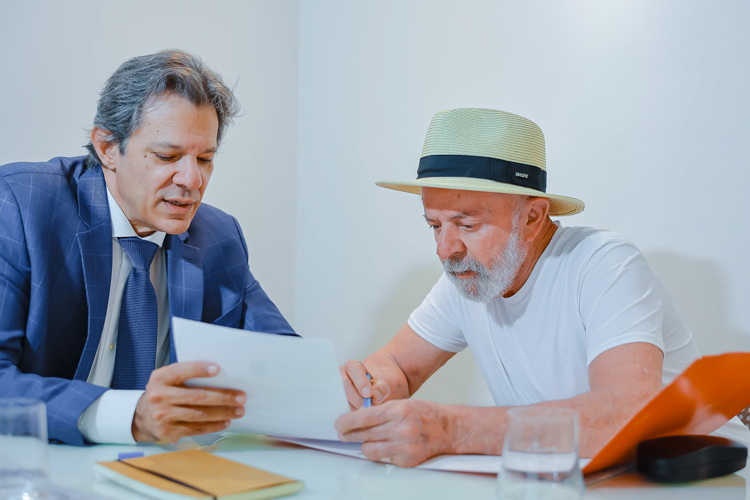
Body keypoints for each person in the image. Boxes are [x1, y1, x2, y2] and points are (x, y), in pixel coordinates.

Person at [335, 107, 748, 467]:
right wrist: (371, 386)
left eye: (467, 224)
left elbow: (626, 413)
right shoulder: (470, 277)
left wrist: (453, 428)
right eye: (435, 226)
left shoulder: (603, 264)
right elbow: (398, 366)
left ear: (533, 218)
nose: (445, 250)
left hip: (708, 479)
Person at [0, 50, 296, 446]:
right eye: (166, 156)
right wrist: (128, 416)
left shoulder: (218, 236)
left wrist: (353, 393)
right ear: (107, 148)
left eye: (205, 158)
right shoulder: (20, 206)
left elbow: (285, 364)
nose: (192, 180)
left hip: (164, 468)